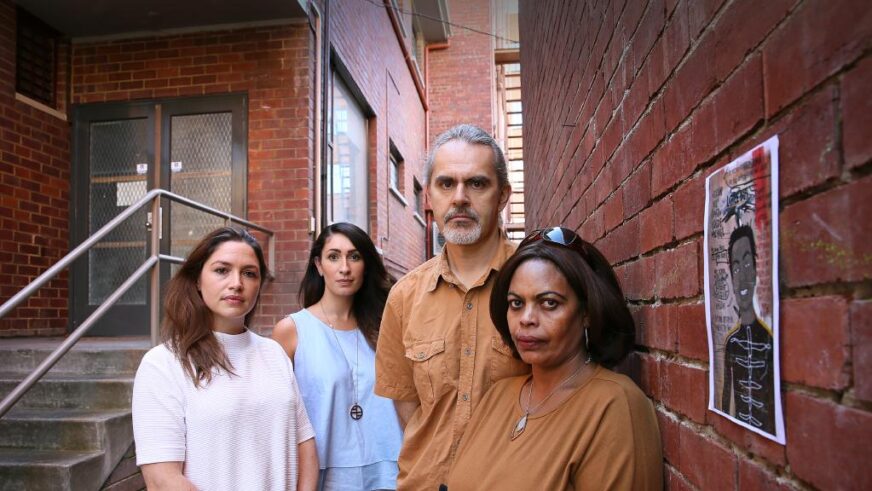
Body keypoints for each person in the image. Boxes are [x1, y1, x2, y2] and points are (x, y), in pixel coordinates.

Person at [446, 227, 663, 490]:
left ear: (587, 313)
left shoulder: (615, 405)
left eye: (549, 303)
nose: (526, 319)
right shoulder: (498, 395)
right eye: (516, 303)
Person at [374, 124, 530, 489]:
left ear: (503, 194)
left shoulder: (538, 284)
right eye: (446, 184)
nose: (460, 197)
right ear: (428, 195)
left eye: (477, 184)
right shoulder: (404, 297)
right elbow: (408, 406)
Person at [132, 227, 318, 490]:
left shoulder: (274, 352)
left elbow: (304, 441)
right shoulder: (163, 364)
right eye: (222, 270)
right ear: (197, 279)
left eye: (249, 273)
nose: (236, 283)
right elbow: (163, 480)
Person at [273, 222, 402, 490]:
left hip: (390, 471)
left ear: (366, 265)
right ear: (319, 266)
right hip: (323, 475)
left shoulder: (386, 325)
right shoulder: (292, 330)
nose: (345, 267)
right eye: (334, 257)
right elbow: (277, 417)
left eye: (354, 256)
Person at [721, 224, 775, 433]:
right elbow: (725, 405)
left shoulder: (768, 341)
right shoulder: (732, 343)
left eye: (746, 263)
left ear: (755, 267)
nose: (742, 275)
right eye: (735, 267)